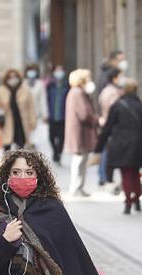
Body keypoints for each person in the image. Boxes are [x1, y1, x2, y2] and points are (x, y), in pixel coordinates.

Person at [96, 79, 142, 215]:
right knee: (135, 173)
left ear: (124, 90)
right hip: (138, 144)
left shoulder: (117, 105)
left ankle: (128, 202)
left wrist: (99, 145)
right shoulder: (141, 106)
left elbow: (108, 127)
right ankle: (137, 200)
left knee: (125, 173)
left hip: (121, 144)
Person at [63, 69, 98, 197]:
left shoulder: (77, 92)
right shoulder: (77, 93)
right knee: (79, 161)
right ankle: (76, 187)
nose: (90, 81)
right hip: (80, 134)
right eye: (88, 78)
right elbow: (84, 114)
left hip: (80, 133)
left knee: (81, 161)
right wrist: (96, 120)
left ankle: (79, 187)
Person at [0, 69, 36, 151]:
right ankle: (7, 163)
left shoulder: (25, 90)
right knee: (7, 147)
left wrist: (32, 121)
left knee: (21, 148)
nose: (13, 79)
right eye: (10, 77)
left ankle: (19, 163)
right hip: (7, 123)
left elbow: (31, 107)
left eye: (15, 77)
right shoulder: (2, 90)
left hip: (21, 122)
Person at [96, 68, 123, 187]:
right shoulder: (113, 92)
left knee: (105, 151)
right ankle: (105, 177)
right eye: (120, 76)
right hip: (111, 125)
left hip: (106, 122)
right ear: (115, 78)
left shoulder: (106, 90)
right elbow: (115, 110)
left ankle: (103, 176)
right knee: (107, 152)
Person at [45, 66, 68, 166]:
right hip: (52, 115)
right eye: (57, 71)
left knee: (62, 137)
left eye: (61, 70)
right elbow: (45, 100)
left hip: (63, 116)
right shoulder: (50, 85)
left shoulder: (67, 85)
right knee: (51, 136)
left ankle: (59, 153)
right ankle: (55, 152)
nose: (59, 72)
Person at [24, 64, 48, 148]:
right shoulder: (23, 83)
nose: (31, 73)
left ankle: (32, 151)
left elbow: (42, 100)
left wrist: (45, 114)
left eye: (33, 70)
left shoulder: (40, 84)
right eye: (30, 70)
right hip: (25, 114)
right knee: (26, 136)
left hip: (36, 114)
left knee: (35, 137)